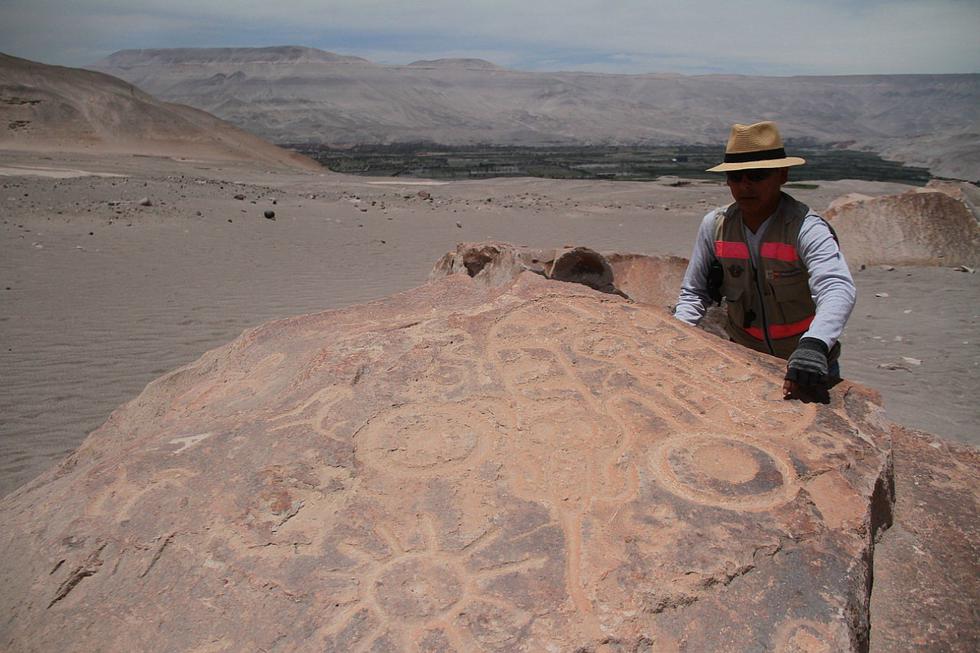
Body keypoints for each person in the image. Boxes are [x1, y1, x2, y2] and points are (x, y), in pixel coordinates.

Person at [674, 121, 856, 399]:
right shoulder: (715, 225)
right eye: (736, 177)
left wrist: (815, 344)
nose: (745, 185)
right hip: (744, 358)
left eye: (757, 175)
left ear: (782, 175)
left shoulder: (805, 227)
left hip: (803, 364)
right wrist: (676, 336)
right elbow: (694, 292)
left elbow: (836, 287)